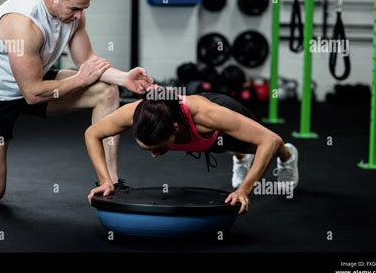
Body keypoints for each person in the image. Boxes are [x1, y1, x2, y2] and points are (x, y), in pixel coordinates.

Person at [0, 0, 153, 205]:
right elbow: (32, 94)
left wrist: (124, 78)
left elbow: (87, 60)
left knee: (105, 91)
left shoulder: (73, 13)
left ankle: (109, 181)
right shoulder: (23, 23)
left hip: (36, 78)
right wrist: (79, 79)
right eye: (74, 8)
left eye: (83, 8)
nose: (79, 15)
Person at [86, 90, 299, 215]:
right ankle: (240, 158)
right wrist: (106, 181)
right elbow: (92, 134)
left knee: (262, 146)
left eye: (159, 148)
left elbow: (270, 140)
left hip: (218, 122)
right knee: (223, 145)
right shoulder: (132, 114)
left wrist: (244, 190)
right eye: (147, 149)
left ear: (176, 129)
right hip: (202, 137)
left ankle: (288, 156)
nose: (154, 155)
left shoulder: (208, 115)